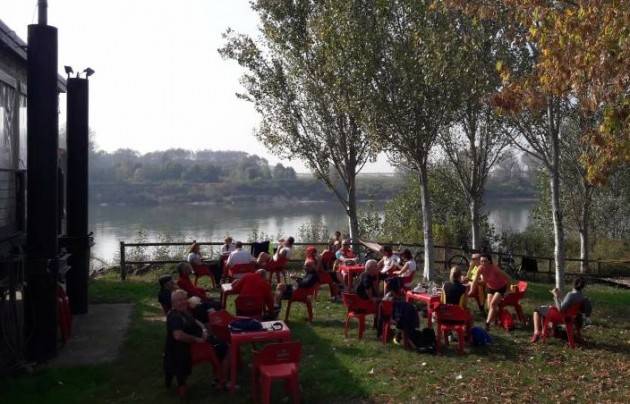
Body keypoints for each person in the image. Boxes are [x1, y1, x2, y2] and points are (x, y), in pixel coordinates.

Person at [164, 290, 229, 397]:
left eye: (184, 299)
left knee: (221, 344)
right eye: (179, 300)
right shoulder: (175, 317)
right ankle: (223, 381)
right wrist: (196, 339)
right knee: (226, 348)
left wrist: (203, 328)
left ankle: (219, 377)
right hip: (190, 349)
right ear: (173, 303)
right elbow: (178, 335)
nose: (183, 302)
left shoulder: (183, 312)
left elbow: (194, 321)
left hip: (197, 343)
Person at [530, 277, 593, 343]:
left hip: (561, 317)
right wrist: (559, 297)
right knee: (545, 309)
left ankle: (536, 332)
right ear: (583, 286)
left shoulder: (570, 295)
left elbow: (560, 309)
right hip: (570, 317)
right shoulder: (582, 297)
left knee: (537, 310)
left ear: (573, 284)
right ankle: (546, 332)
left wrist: (555, 296)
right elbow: (565, 306)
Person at [469, 254, 509, 330]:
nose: (483, 263)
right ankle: (496, 319)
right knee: (489, 306)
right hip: (490, 288)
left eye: (485, 261)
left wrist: (508, 291)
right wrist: (471, 290)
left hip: (501, 287)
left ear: (489, 261)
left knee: (493, 304)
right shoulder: (480, 268)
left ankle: (487, 324)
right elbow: (475, 280)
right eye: (481, 261)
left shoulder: (495, 269)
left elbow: (507, 278)